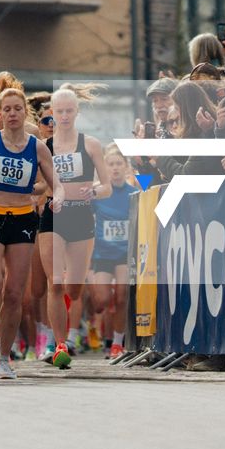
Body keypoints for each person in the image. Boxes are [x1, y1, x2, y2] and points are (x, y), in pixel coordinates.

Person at [0, 87, 66, 379]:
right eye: (6, 109)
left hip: (22, 218)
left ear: (25, 113)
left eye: (17, 109)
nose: (12, 114)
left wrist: (57, 197)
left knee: (14, 294)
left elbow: (55, 183)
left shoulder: (38, 147)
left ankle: (3, 356)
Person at [37, 85, 109, 368]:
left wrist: (95, 190)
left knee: (74, 289)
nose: (64, 116)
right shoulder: (43, 147)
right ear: (52, 113)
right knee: (55, 281)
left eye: (69, 111)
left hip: (82, 216)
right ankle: (59, 344)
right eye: (59, 111)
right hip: (54, 215)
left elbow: (106, 186)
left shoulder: (90, 145)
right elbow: (38, 184)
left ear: (77, 112)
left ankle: (66, 328)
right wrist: (41, 192)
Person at [88, 147, 135, 360]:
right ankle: (102, 331)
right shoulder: (98, 193)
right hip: (103, 254)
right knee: (102, 301)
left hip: (124, 253)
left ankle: (117, 343)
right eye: (111, 164)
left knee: (123, 295)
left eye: (118, 164)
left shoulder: (134, 193)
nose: (115, 168)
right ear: (104, 168)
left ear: (125, 167)